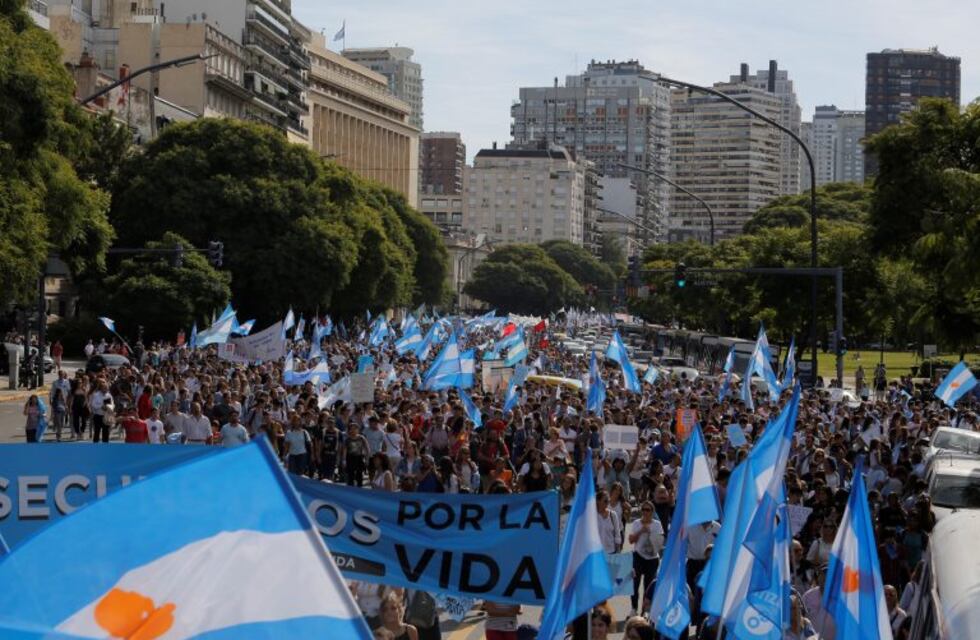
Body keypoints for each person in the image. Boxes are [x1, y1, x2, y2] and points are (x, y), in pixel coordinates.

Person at [628, 500, 664, 615]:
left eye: (648, 510)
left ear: (652, 512)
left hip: (652, 559)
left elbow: (660, 542)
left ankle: (645, 610)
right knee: (634, 583)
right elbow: (631, 540)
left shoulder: (657, 524)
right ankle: (634, 608)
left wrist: (651, 533)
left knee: (648, 585)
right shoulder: (636, 523)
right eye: (643, 510)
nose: (645, 512)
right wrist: (641, 531)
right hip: (638, 556)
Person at [596, 489, 623, 554]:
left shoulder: (613, 515)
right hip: (597, 553)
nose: (607, 503)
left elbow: (617, 534)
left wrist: (618, 550)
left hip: (611, 551)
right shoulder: (593, 516)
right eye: (605, 501)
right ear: (598, 501)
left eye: (608, 501)